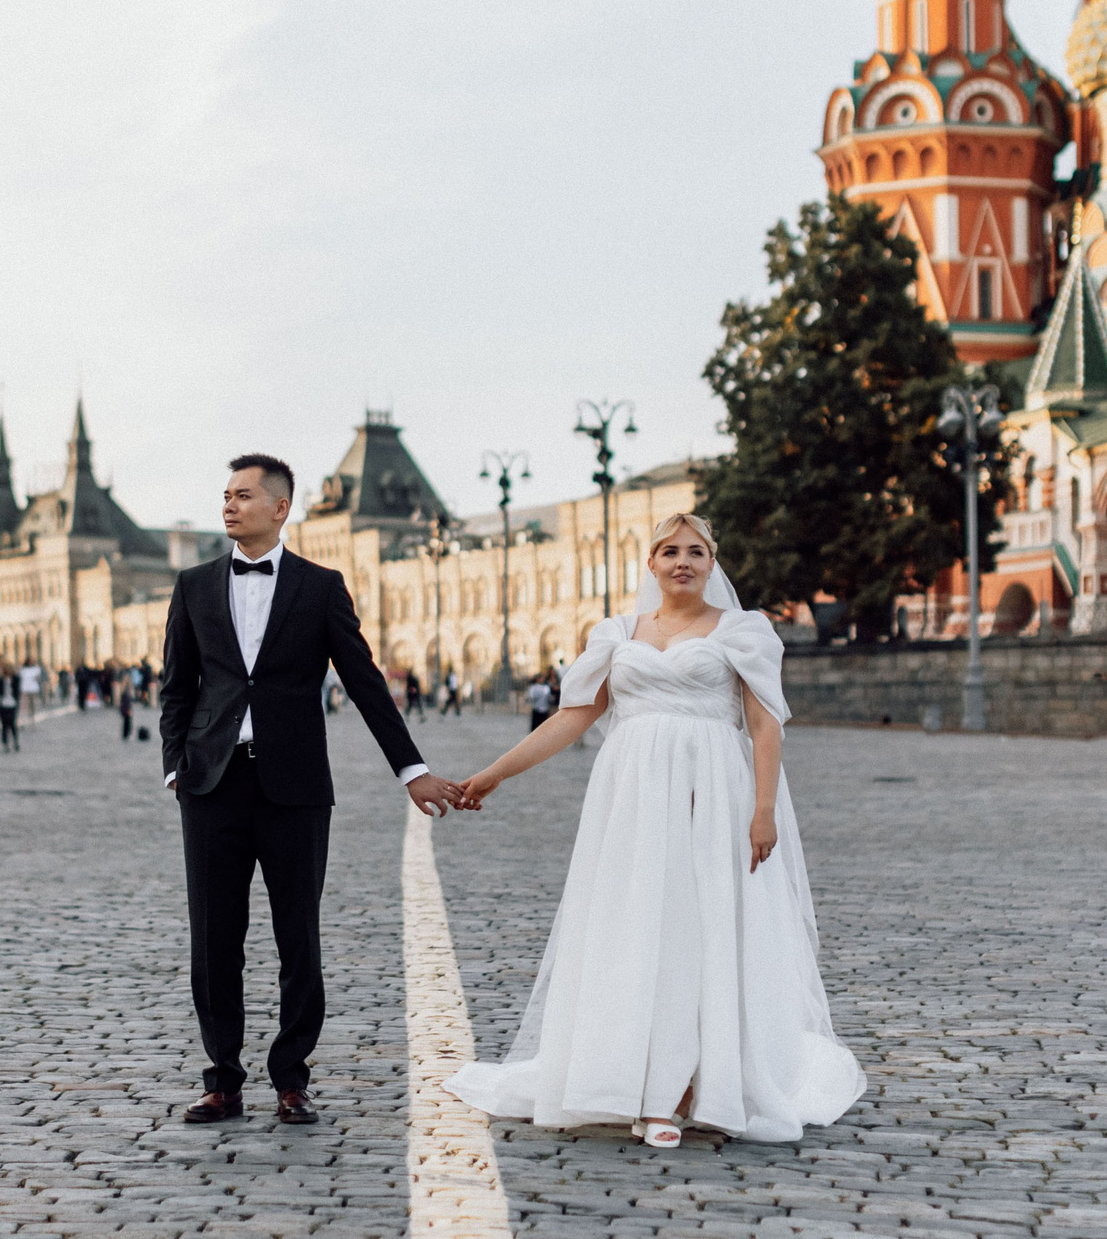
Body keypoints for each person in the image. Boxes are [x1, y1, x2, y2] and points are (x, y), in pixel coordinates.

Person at [445, 512, 863, 1148]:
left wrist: (763, 807)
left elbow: (764, 724)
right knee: (639, 925)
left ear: (712, 562)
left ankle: (690, 1084)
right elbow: (573, 717)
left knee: (701, 928)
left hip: (713, 794)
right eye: (670, 551)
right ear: (651, 564)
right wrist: (496, 772)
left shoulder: (743, 631)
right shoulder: (616, 633)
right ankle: (637, 1078)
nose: (683, 562)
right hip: (633, 802)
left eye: (696, 552)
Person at [162, 455, 463, 1128]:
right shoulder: (194, 586)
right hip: (210, 786)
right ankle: (222, 1079)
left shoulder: (321, 586)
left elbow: (364, 681)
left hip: (295, 788)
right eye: (225, 494)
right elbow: (177, 686)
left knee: (299, 937)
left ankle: (291, 1078)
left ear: (279, 507)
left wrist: (411, 769)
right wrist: (175, 764)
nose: (229, 505)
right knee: (214, 940)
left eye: (243, 495)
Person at [0, 665, 22, 751]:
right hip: (3, 703)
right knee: (4, 725)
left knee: (12, 724)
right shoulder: (0, 680)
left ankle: (15, 742)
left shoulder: (15, 679)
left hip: (12, 703)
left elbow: (17, 691)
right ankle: (5, 743)